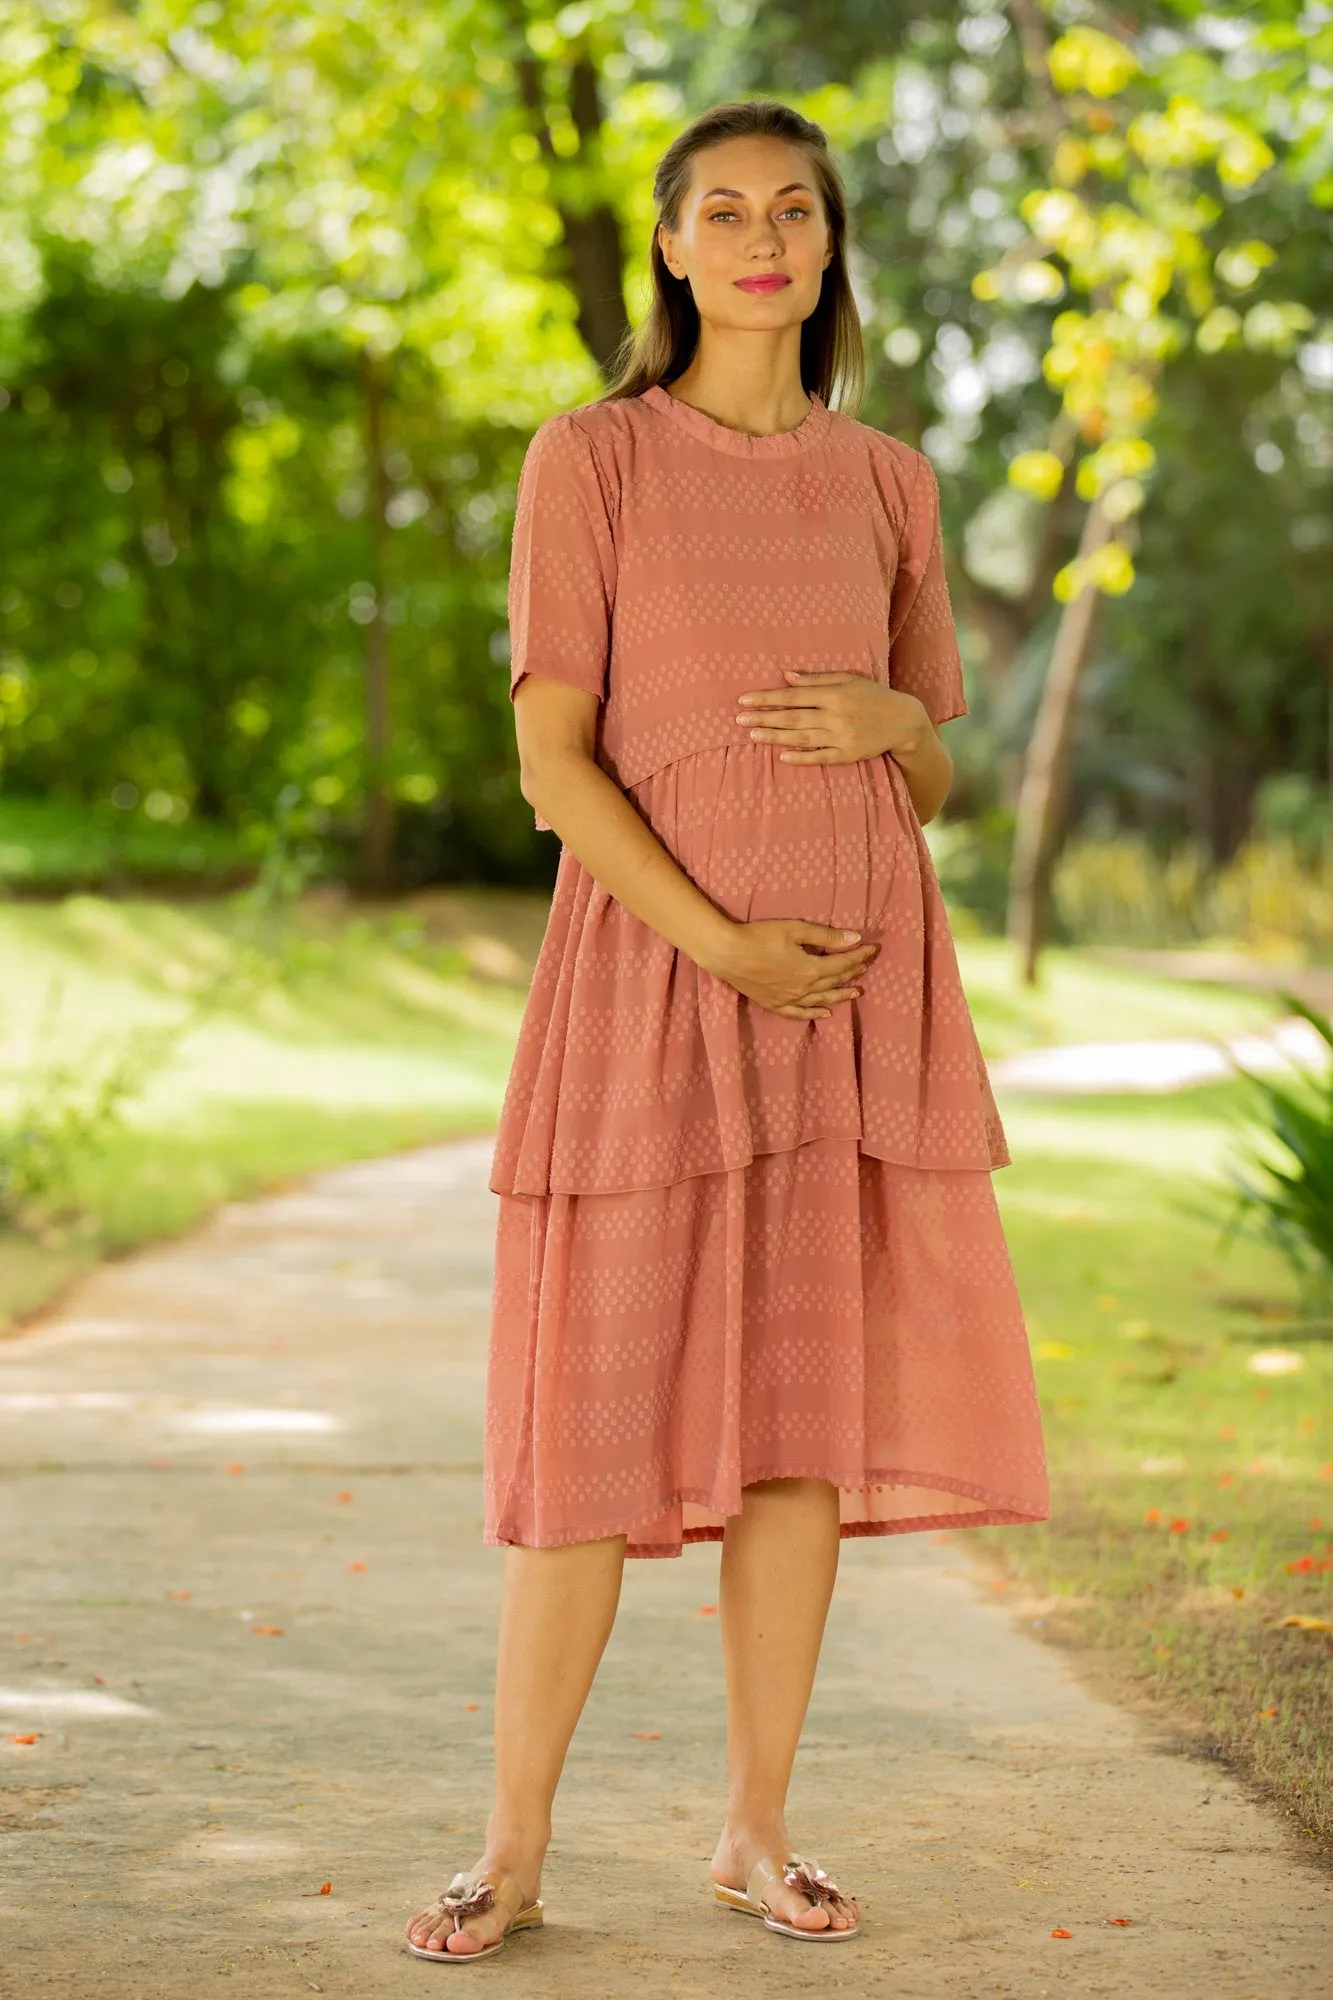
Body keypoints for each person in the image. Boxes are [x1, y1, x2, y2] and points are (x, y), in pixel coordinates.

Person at [406, 95, 1049, 1965]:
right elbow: (551, 763)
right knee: (592, 1430)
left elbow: (934, 760)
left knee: (795, 1445)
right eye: (722, 210)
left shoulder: (887, 482)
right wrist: (716, 945)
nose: (762, 236)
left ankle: (757, 1829)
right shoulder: (590, 460)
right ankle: (512, 1845)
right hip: (653, 988)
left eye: (794, 209)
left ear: (829, 246)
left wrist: (889, 733)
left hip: (848, 1010)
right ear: (672, 250)